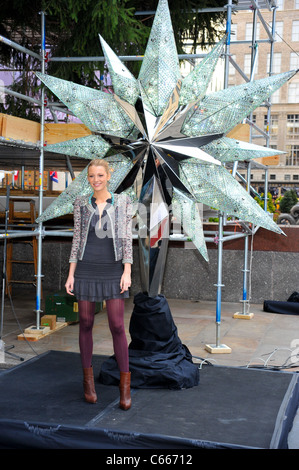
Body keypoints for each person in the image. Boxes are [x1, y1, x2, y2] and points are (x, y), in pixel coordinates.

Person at [65, 158, 133, 410]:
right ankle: (88, 383)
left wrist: (127, 270)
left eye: (100, 175)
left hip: (113, 268)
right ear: (88, 178)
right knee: (86, 322)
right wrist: (71, 273)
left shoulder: (123, 202)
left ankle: (125, 388)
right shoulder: (81, 204)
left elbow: (127, 237)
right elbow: (77, 239)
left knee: (117, 325)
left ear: (108, 175)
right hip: (85, 267)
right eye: (92, 176)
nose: (96, 180)